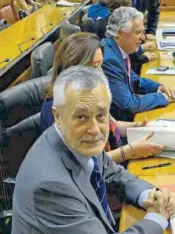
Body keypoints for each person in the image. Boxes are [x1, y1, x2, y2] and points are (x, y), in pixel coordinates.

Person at [12, 65, 175, 234]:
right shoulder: (50, 186)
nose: (95, 129)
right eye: (81, 117)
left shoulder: (74, 139)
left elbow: (113, 172)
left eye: (101, 116)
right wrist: (157, 219)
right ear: (58, 116)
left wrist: (149, 196)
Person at [40, 32, 164, 161]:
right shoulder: (56, 109)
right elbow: (84, 163)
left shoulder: (89, 94)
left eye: (100, 65)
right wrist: (130, 151)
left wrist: (138, 127)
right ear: (73, 67)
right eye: (94, 66)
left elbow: (115, 126)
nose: (100, 72)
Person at [102, 7, 175, 122]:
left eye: (143, 32)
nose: (143, 38)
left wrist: (159, 87)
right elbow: (129, 104)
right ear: (120, 33)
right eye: (138, 33)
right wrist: (163, 97)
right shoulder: (109, 60)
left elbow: (135, 80)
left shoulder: (118, 49)